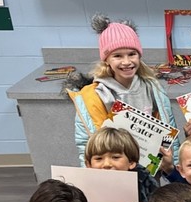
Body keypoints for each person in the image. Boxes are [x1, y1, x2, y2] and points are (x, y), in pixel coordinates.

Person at [70, 15, 177, 166]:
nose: (126, 62)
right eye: (117, 56)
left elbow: (168, 131)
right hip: (113, 171)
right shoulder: (93, 96)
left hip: (149, 169)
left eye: (132, 54)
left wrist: (172, 167)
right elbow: (85, 144)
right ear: (106, 59)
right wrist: (91, 177)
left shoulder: (153, 89)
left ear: (139, 56)